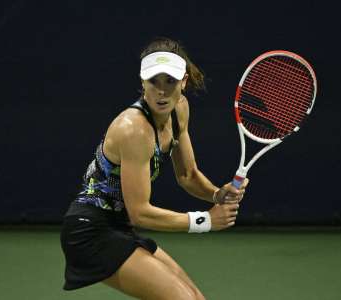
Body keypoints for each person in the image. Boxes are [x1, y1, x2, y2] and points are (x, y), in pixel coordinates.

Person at [60, 37, 249, 300]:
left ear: (183, 82)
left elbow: (188, 175)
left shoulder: (179, 109)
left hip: (118, 227)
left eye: (170, 81)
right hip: (90, 231)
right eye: (154, 81)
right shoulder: (134, 129)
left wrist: (217, 194)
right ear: (142, 82)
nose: (162, 91)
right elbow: (140, 213)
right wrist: (205, 221)